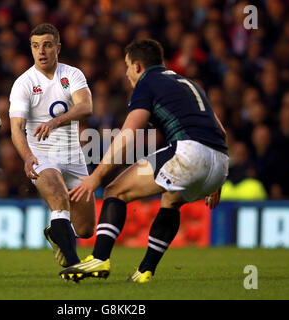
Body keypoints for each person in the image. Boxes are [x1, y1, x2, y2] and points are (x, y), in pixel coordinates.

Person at [60, 39, 229, 283]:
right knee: (171, 201)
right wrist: (216, 180)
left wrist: (95, 176)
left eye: (127, 66)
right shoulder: (187, 83)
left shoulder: (147, 83)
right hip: (220, 162)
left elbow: (128, 133)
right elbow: (220, 132)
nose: (126, 73)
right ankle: (145, 271)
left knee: (115, 190)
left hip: (189, 153)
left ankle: (99, 258)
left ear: (138, 66)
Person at [9, 23, 95, 269]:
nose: (41, 51)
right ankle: (73, 266)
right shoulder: (24, 83)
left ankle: (55, 233)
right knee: (58, 198)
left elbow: (86, 107)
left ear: (58, 47)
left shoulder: (72, 74)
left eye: (47, 45)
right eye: (36, 46)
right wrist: (27, 156)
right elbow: (16, 128)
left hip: (74, 158)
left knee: (86, 229)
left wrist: (55, 121)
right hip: (42, 157)